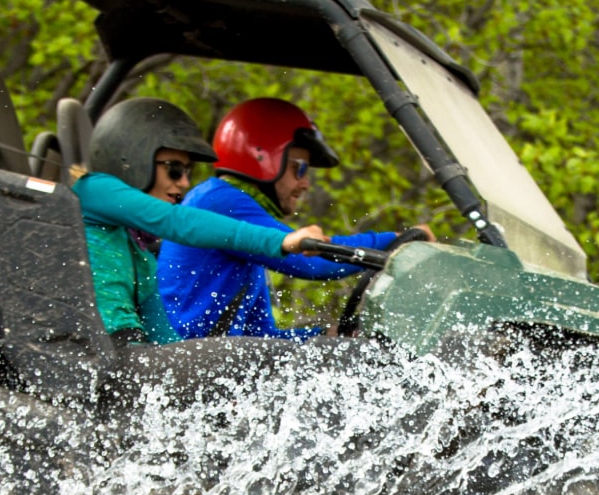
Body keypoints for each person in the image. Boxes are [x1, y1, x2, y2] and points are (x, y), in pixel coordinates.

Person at [155, 98, 431, 340]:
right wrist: (395, 242)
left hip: (213, 361)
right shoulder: (218, 201)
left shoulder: (236, 215)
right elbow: (311, 262)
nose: (305, 184)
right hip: (190, 366)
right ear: (262, 158)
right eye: (299, 169)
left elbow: (260, 338)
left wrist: (325, 335)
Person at [75, 98, 326, 346]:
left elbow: (168, 345)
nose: (184, 183)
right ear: (130, 161)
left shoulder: (141, 260)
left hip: (125, 361)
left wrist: (321, 340)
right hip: (100, 358)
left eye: (187, 171)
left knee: (232, 361)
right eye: (174, 169)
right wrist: (280, 241)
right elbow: (177, 222)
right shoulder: (93, 192)